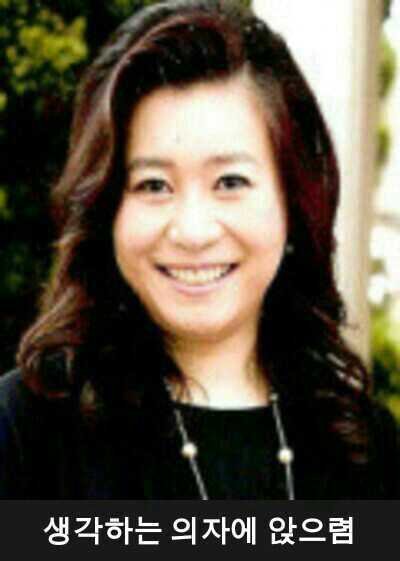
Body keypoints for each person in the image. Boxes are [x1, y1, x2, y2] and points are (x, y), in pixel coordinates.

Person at [0, 0, 398, 500]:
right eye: (153, 185)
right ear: (106, 209)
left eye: (230, 182)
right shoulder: (26, 431)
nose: (192, 231)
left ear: (293, 201)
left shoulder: (364, 446)